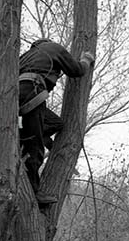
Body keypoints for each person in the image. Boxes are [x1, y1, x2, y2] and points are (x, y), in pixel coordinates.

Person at [18, 37, 94, 207]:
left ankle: (27, 136)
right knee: (35, 147)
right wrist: (86, 60)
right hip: (34, 92)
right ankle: (34, 193)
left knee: (55, 123)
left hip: (19, 96)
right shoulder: (53, 48)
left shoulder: (24, 56)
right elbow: (77, 70)